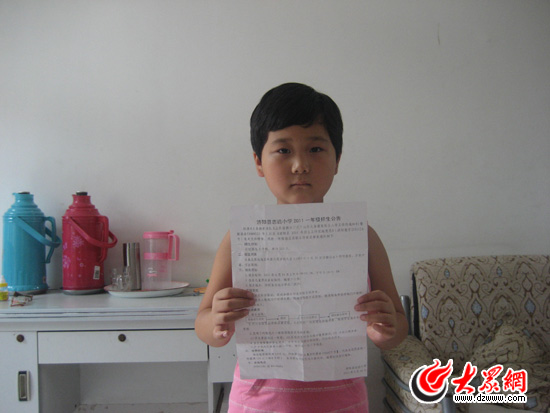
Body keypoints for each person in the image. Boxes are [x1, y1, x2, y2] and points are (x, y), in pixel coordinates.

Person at [195, 82, 408, 412]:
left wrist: (385, 330)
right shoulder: (242, 237)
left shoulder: (360, 236)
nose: (300, 165)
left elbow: (398, 326)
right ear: (258, 162)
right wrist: (218, 322)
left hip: (343, 404)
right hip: (259, 404)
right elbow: (204, 324)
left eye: (316, 149)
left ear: (337, 160)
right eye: (283, 150)